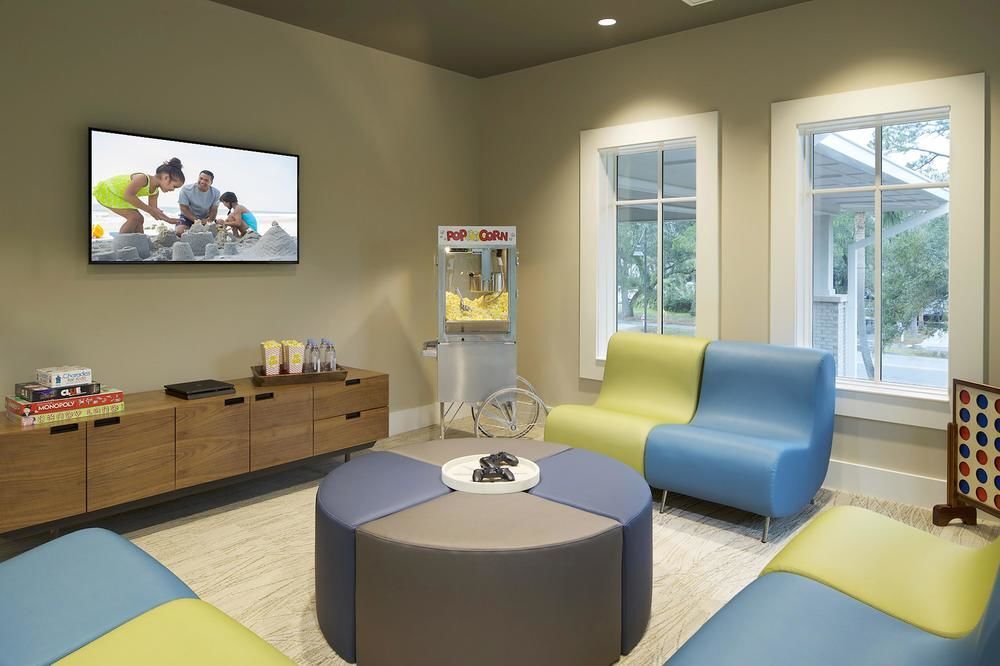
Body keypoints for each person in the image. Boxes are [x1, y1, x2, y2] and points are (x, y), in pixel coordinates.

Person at [91, 158, 185, 233]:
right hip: (108, 191)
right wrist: (150, 210)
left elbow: (154, 210)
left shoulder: (155, 192)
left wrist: (168, 219)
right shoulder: (143, 178)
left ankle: (139, 242)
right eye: (174, 186)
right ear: (166, 177)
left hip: (122, 196)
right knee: (134, 217)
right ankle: (121, 243)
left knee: (140, 219)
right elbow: (128, 195)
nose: (173, 190)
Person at [176, 170, 221, 235]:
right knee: (179, 232)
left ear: (211, 182)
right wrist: (197, 221)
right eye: (201, 178)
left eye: (206, 180)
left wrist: (209, 220)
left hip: (205, 219)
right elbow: (183, 208)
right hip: (188, 217)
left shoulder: (216, 193)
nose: (202, 181)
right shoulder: (186, 189)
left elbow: (214, 210)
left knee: (220, 224)